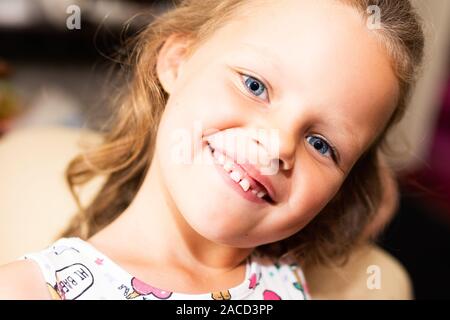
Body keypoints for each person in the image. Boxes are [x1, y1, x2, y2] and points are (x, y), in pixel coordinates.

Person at [0, 0, 424, 300]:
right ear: (177, 61)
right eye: (254, 86)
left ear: (340, 189)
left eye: (321, 144)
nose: (276, 144)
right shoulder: (31, 290)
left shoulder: (297, 282)